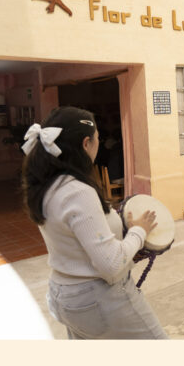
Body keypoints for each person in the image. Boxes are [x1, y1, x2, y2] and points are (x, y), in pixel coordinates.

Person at [20, 106, 167, 339]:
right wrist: (139, 232)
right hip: (96, 300)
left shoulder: (47, 186)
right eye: (98, 138)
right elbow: (111, 264)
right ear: (86, 143)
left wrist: (121, 233)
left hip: (64, 296)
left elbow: (80, 237)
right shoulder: (78, 192)